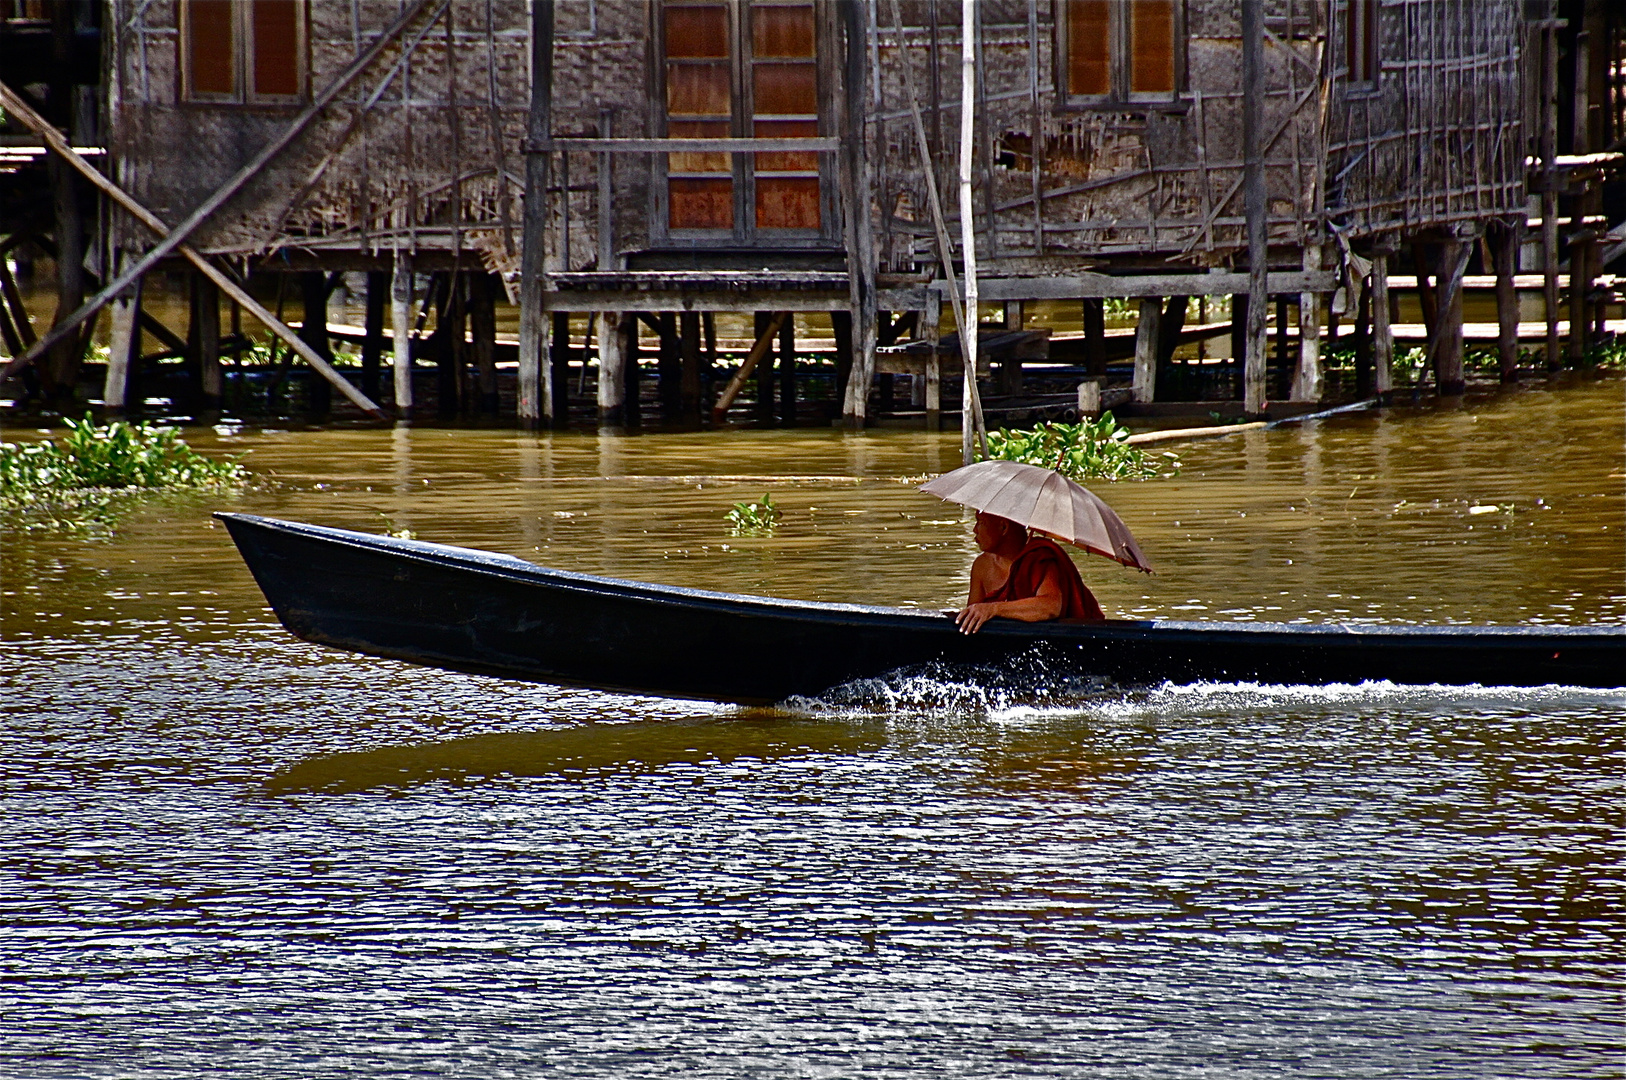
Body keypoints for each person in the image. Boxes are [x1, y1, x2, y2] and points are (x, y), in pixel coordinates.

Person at [955, 512, 1105, 634]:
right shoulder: (982, 566)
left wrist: (993, 609)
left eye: (981, 522)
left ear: (1003, 527)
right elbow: (973, 618)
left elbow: (1050, 607)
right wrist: (984, 611)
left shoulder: (1039, 557)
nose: (975, 529)